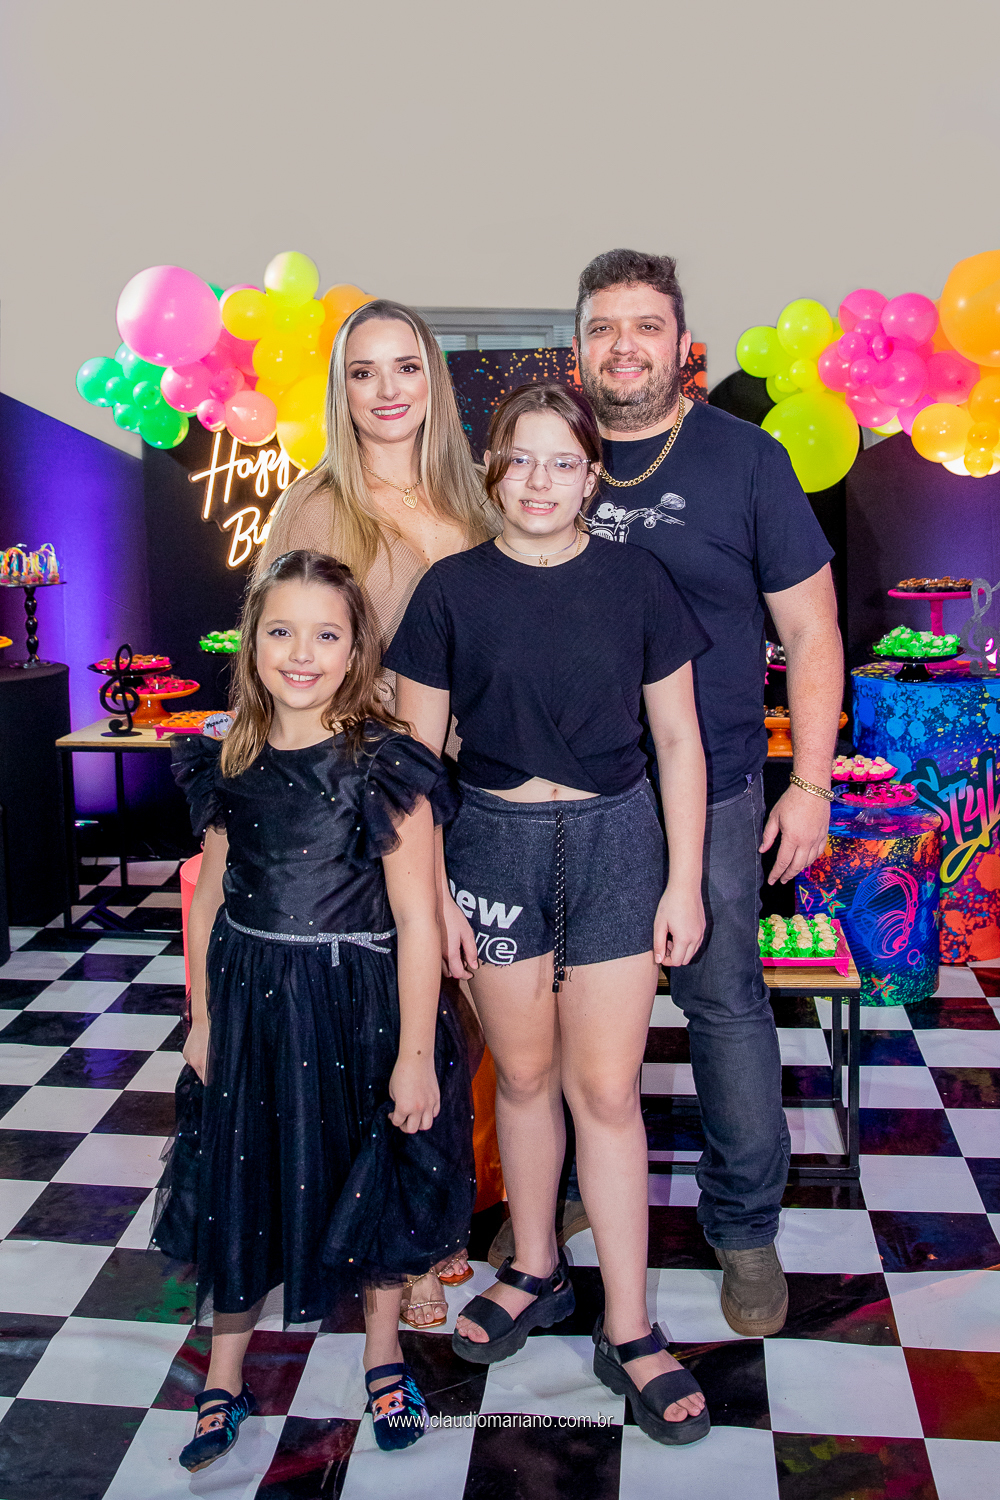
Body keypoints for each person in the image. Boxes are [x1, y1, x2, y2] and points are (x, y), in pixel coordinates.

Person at [387, 384, 713, 1447]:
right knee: (522, 1079)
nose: (539, 481)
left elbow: (678, 743)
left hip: (617, 845)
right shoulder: (449, 592)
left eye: (562, 462)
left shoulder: (637, 579)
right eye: (520, 460)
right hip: (491, 846)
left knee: (607, 1092)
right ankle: (534, 1266)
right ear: (492, 471)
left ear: (591, 476)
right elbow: (413, 763)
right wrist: (434, 894)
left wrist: (682, 882)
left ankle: (631, 1325)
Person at [573, 249, 843, 1338]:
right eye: (603, 326)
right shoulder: (543, 455)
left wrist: (810, 783)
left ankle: (744, 1229)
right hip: (564, 796)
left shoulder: (746, 460)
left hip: (720, 785)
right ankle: (569, 1196)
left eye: (646, 326)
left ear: (682, 346)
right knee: (563, 1012)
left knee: (725, 1007)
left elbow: (812, 631)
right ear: (578, 347)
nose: (624, 346)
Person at [153, 549, 474, 1468]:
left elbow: (417, 919)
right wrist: (203, 1018)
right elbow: (209, 900)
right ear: (252, 642)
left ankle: (382, 1355)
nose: (302, 654)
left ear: (356, 648)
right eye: (282, 632)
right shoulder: (228, 756)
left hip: (357, 1004)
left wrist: (416, 1054)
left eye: (326, 635)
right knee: (242, 1177)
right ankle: (224, 1374)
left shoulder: (383, 765)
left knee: (369, 1173)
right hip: (253, 1006)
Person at [260, 298, 500, 1328]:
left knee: (465, 1025)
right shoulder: (317, 509)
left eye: (406, 367)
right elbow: (284, 664)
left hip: (483, 790)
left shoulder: (477, 499)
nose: (388, 389)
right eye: (364, 371)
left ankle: (438, 1217)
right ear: (341, 390)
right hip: (368, 808)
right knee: (380, 1027)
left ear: (433, 381)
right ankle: (388, 1250)